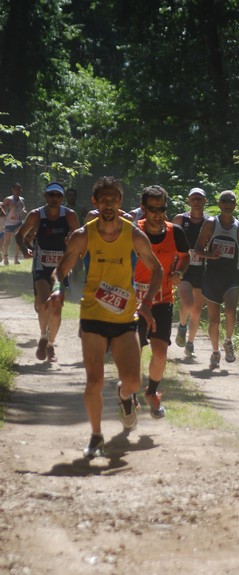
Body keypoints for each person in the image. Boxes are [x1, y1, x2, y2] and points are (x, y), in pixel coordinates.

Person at [48, 176, 163, 458]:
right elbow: (59, 271)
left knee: (133, 381)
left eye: (114, 199)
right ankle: (96, 435)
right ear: (95, 203)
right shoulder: (83, 236)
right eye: (104, 199)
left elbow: (157, 269)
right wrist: (56, 289)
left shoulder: (134, 234)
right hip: (93, 318)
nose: (109, 204)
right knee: (94, 381)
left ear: (120, 202)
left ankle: (125, 397)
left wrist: (146, 302)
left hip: (124, 320)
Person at [134, 185, 190, 416]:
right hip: (135, 303)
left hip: (163, 300)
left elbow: (185, 256)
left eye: (162, 208)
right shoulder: (133, 232)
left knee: (160, 353)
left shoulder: (175, 232)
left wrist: (180, 272)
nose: (157, 213)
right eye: (152, 208)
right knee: (133, 351)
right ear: (143, 208)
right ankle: (129, 395)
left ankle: (152, 392)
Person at [15, 182, 80, 362]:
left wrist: (71, 244)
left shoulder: (69, 215)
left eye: (58, 196)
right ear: (45, 196)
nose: (54, 199)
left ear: (62, 198)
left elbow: (81, 238)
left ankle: (50, 344)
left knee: (57, 309)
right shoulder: (36, 215)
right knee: (44, 303)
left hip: (61, 267)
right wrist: (24, 249)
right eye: (51, 195)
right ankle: (43, 337)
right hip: (41, 265)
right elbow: (19, 235)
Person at [194, 190, 239, 369]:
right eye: (224, 201)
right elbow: (197, 248)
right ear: (219, 204)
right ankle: (215, 352)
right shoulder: (211, 223)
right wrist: (209, 255)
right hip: (212, 276)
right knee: (213, 319)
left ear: (235, 205)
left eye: (231, 201)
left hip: (231, 276)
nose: (228, 204)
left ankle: (228, 341)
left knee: (230, 310)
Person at [172, 187, 210, 358]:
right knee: (187, 303)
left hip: (202, 270)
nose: (196, 201)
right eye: (193, 198)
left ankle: (190, 344)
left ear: (205, 201)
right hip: (183, 267)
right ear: (188, 200)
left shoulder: (210, 222)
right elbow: (170, 241)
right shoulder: (180, 219)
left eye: (199, 198)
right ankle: (181, 326)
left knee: (197, 310)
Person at [0, 183, 26, 265]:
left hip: (18, 222)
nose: (17, 191)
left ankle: (16, 258)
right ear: (12, 190)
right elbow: (2, 210)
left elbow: (24, 207)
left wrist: (24, 211)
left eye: (19, 189)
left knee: (19, 240)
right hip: (9, 223)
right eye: (16, 189)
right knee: (8, 241)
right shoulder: (8, 199)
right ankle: (5, 258)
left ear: (21, 190)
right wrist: (9, 209)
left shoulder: (22, 199)